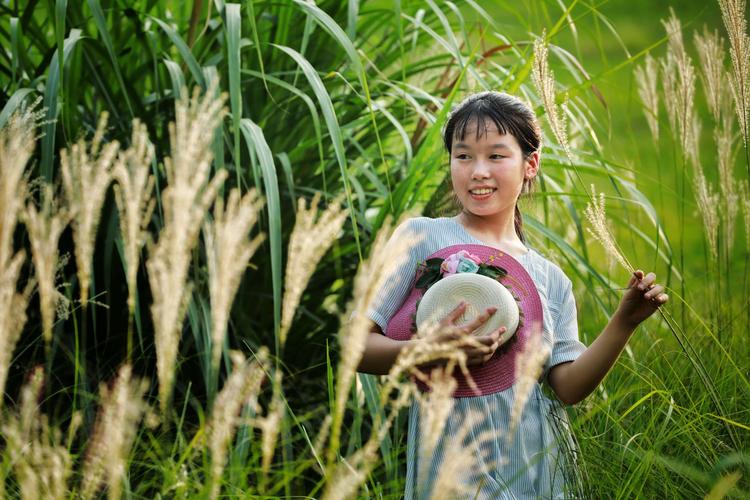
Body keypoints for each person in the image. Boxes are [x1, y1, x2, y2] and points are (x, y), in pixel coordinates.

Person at [357, 91, 669, 499]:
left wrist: (624, 322)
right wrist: (425, 350)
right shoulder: (422, 236)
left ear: (530, 164)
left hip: (539, 466)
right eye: (463, 155)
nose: (477, 171)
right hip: (450, 468)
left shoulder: (549, 278)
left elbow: (568, 386)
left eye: (497, 156)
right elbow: (357, 346)